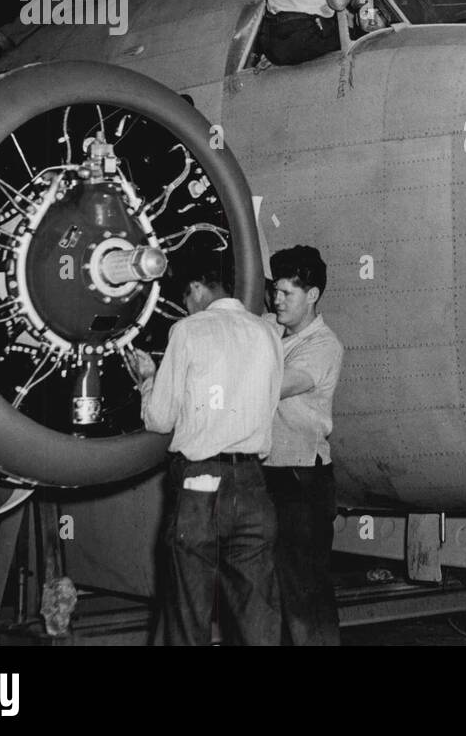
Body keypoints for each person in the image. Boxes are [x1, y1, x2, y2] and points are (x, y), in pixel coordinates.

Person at [130, 258, 284, 646]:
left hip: (200, 488)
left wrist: (148, 381)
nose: (186, 307)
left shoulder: (187, 331)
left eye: (186, 298)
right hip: (253, 485)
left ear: (197, 289)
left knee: (187, 616)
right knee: (258, 617)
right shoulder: (268, 335)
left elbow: (160, 420)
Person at [262, 245, 344, 646]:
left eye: (286, 294)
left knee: (304, 593)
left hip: (301, 480)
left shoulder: (323, 346)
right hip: (271, 474)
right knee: (275, 592)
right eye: (274, 292)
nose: (276, 301)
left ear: (311, 296)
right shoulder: (273, 329)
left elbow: (277, 386)